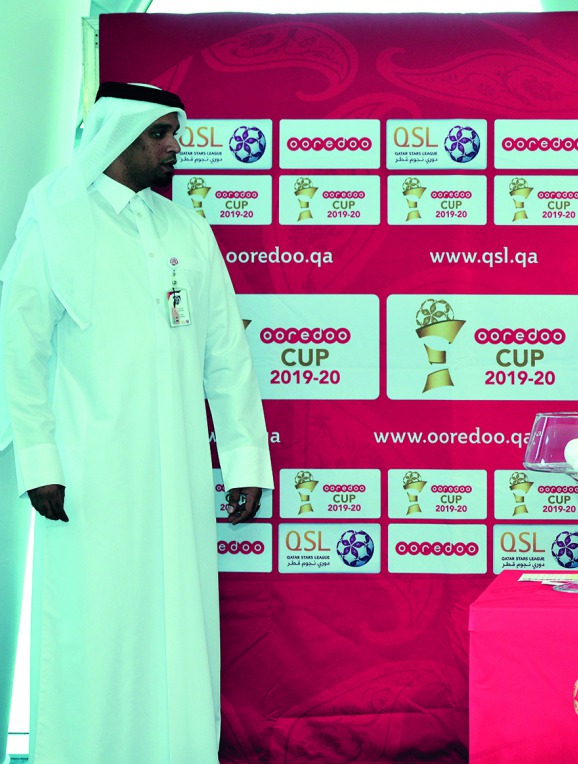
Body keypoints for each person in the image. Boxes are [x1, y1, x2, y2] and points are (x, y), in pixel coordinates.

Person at [0, 82, 273, 763]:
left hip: (176, 469)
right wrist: (40, 462)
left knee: (177, 624)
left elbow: (227, 357)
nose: (175, 145)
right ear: (116, 136)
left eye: (174, 132)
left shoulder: (185, 229)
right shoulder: (56, 218)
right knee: (95, 623)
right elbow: (21, 349)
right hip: (89, 472)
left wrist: (243, 460)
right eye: (161, 134)